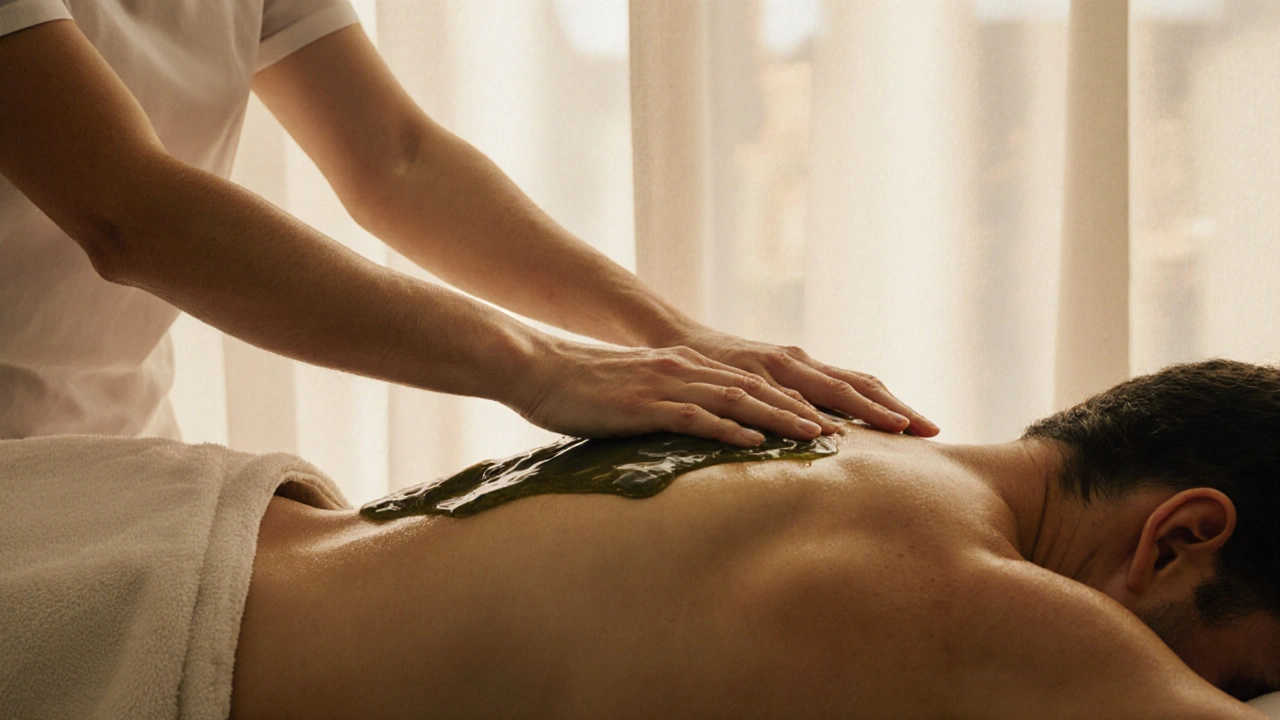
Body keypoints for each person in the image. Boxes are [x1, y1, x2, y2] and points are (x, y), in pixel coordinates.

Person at [0, 1, 937, 446]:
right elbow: (127, 212)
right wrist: (537, 366)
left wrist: (676, 335)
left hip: (126, 449)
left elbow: (397, 158)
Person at [227, 359, 1280, 719]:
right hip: (131, 661)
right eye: (1240, 678)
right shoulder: (967, 593)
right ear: (1178, 538)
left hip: (175, 521)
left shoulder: (836, 438)